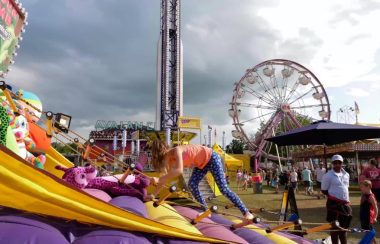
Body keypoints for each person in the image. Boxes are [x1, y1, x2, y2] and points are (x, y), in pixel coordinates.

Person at [149, 141, 254, 221]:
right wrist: (153, 195)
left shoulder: (176, 151)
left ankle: (246, 212)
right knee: (192, 185)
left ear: (164, 154)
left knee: (224, 189)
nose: (165, 163)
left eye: (164, 160)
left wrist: (160, 179)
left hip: (212, 158)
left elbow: (178, 170)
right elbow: (164, 177)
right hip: (201, 164)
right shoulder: (169, 159)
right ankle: (205, 210)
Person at [321, 155, 352, 244]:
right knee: (334, 229)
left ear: (342, 163)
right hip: (334, 205)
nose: (337, 164)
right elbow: (324, 190)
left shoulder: (347, 174)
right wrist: (335, 198)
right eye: (335, 163)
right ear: (332, 164)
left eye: (339, 162)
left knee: (344, 229)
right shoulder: (328, 175)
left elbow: (346, 188)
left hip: (345, 205)